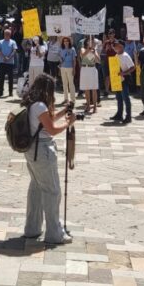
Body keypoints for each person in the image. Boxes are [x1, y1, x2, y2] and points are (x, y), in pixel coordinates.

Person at [20, 73, 75, 245]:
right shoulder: (40, 106)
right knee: (52, 191)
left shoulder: (32, 103)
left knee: (36, 188)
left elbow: (46, 121)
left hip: (32, 150)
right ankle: (54, 233)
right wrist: (69, 122)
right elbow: (51, 129)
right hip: (42, 150)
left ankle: (32, 228)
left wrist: (63, 111)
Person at [110, 41, 135, 123]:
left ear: (121, 46)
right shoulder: (116, 55)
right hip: (117, 79)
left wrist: (123, 73)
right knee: (119, 98)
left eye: (116, 45)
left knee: (125, 97)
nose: (114, 47)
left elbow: (132, 67)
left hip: (124, 78)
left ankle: (128, 116)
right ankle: (119, 114)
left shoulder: (126, 56)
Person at [79, 36, 100, 114]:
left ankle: (94, 106)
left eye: (91, 41)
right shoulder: (83, 49)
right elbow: (83, 55)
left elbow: (99, 61)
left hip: (92, 69)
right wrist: (88, 49)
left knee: (94, 89)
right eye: (88, 41)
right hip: (85, 69)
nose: (90, 42)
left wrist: (94, 53)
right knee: (86, 89)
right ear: (86, 42)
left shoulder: (95, 50)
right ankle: (88, 105)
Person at [0, 28, 19, 98]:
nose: (7, 35)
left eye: (8, 34)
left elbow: (14, 50)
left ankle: (10, 92)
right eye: (6, 34)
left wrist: (9, 57)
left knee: (10, 78)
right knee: (2, 77)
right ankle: (0, 91)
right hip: (2, 62)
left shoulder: (13, 42)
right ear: (4, 34)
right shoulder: (0, 42)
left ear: (10, 35)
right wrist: (3, 57)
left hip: (10, 63)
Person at [58, 36, 77, 105]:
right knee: (64, 84)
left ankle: (73, 100)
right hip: (63, 68)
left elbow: (74, 60)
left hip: (70, 68)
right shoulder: (61, 49)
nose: (66, 42)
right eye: (64, 41)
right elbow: (59, 58)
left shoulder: (72, 49)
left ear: (69, 42)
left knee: (71, 84)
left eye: (67, 41)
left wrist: (74, 69)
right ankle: (66, 99)